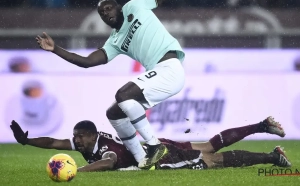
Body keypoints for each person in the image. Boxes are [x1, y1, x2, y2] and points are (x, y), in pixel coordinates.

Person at [35, 0, 220, 169]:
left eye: (109, 8)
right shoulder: (114, 41)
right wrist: (56, 49)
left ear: (119, 7)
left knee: (123, 95)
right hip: (159, 75)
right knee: (113, 112)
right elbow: (87, 62)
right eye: (102, 13)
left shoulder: (137, 5)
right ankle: (142, 160)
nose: (106, 13)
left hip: (170, 68)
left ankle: (154, 146)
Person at [10, 116, 291, 171]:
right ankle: (261, 126)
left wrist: (77, 172)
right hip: (154, 145)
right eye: (75, 138)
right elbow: (53, 141)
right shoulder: (87, 145)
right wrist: (26, 141)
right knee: (208, 147)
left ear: (93, 135)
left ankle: (271, 156)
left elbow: (108, 162)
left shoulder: (104, 149)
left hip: (162, 154)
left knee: (212, 159)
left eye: (80, 137)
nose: (75, 141)